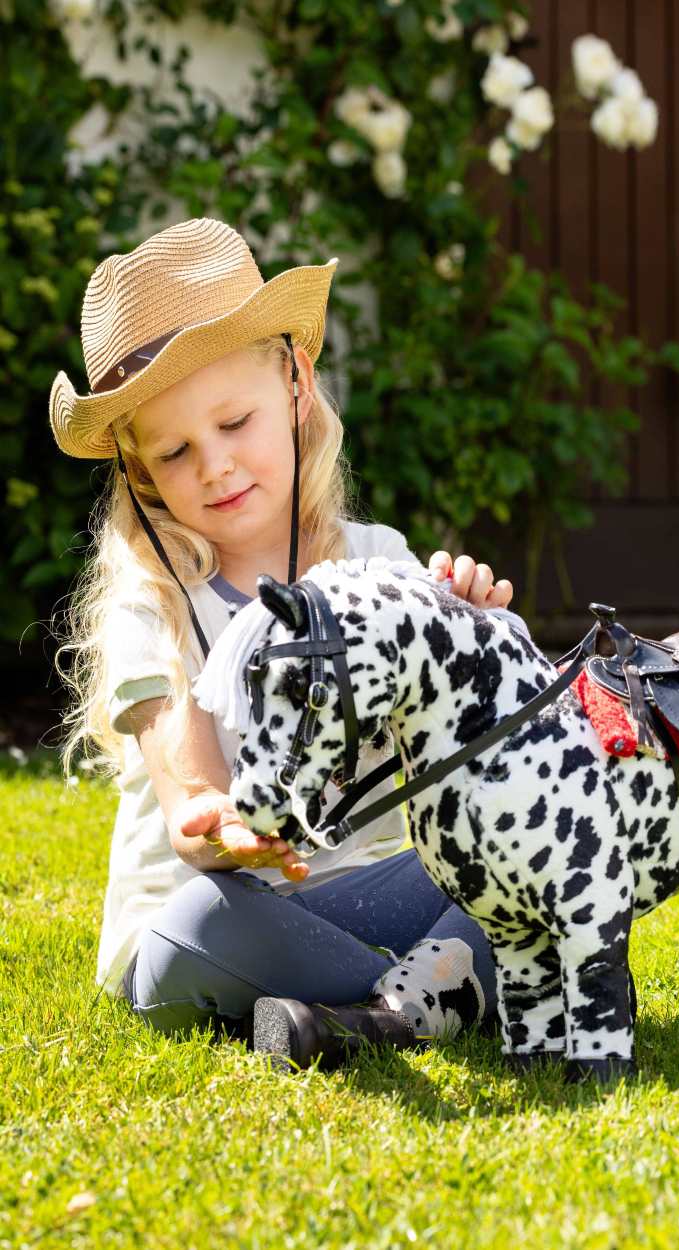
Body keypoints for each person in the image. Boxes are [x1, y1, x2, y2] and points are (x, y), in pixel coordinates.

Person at [50, 217, 523, 1070]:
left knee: (503, 849)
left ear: (297, 385)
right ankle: (440, 995)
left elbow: (465, 752)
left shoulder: (378, 563)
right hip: (223, 911)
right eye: (176, 450)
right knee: (195, 925)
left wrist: (468, 629)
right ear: (139, 470)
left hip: (355, 895)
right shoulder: (151, 606)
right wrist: (220, 828)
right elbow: (192, 800)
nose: (217, 466)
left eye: (234, 422)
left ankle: (359, 1013)